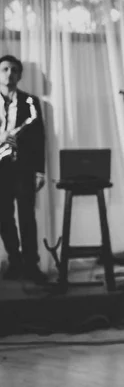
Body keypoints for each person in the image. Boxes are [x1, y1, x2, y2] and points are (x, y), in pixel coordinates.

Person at [0, 55, 46, 283]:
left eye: (14, 70)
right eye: (5, 69)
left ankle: (31, 265)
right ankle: (15, 261)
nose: (9, 74)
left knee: (27, 217)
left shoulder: (31, 102)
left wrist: (40, 171)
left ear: (19, 75)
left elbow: (40, 138)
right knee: (3, 218)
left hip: (23, 168)